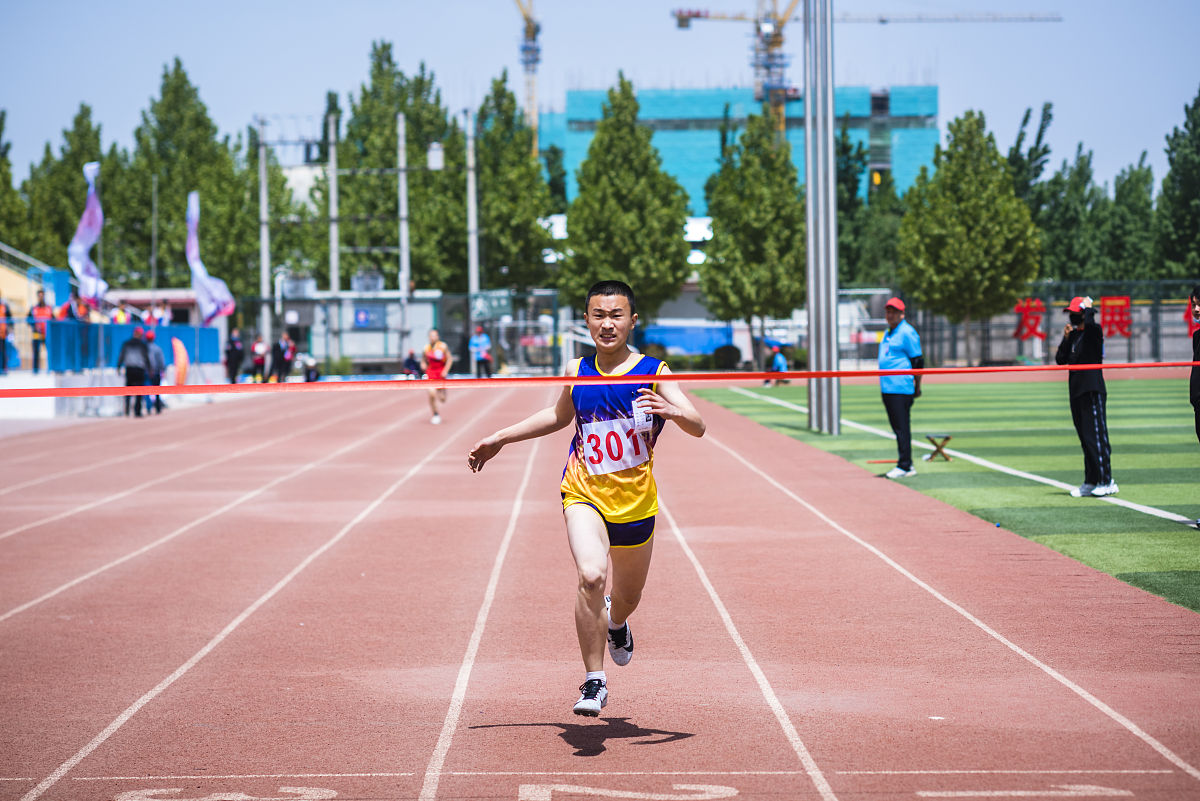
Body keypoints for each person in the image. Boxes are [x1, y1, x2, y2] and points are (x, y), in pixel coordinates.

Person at [467, 280, 706, 717]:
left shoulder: (654, 369)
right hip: (583, 492)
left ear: (633, 320)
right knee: (592, 576)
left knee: (627, 596)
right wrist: (500, 437)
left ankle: (617, 622)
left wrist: (674, 412)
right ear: (586, 320)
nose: (607, 324)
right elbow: (559, 417)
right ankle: (594, 680)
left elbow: (698, 424)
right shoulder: (577, 368)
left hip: (635, 505)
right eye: (599, 315)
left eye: (617, 315)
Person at [1056, 296, 1116, 497]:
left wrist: (1089, 309)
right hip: (1076, 392)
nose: (1072, 317)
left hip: (1092, 390)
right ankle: (1091, 480)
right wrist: (1065, 339)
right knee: (1085, 439)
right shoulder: (1074, 336)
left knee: (1096, 438)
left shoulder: (1094, 331)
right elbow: (1060, 360)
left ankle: (1106, 480)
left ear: (1084, 313)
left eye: (1076, 313)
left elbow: (1090, 325)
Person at [878, 297, 924, 479]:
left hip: (901, 387)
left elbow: (918, 361)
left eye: (893, 312)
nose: (890, 315)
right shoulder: (889, 332)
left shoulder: (907, 332)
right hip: (888, 387)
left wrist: (917, 385)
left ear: (901, 313)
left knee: (902, 427)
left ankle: (905, 465)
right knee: (897, 427)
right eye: (888, 311)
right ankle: (905, 462)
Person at [117, 326, 151, 418]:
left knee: (128, 389)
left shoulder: (127, 344)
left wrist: (119, 367)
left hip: (130, 369)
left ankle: (127, 410)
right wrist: (150, 369)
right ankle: (137, 411)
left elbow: (121, 356)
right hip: (139, 369)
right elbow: (146, 358)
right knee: (139, 391)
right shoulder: (142, 345)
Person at [421, 328, 452, 424]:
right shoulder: (426, 348)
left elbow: (449, 359)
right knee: (431, 393)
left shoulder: (443, 346)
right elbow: (423, 360)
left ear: (437, 337)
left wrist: (446, 370)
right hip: (430, 372)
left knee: (442, 399)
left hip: (440, 372)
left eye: (434, 335)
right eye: (431, 336)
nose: (432, 338)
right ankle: (435, 414)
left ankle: (442, 391)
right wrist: (423, 365)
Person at [27, 289, 54, 374]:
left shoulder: (49, 308)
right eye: (39, 296)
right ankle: (35, 370)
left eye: (42, 296)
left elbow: (54, 319)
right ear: (37, 297)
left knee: (50, 351)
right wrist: (34, 326)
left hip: (47, 334)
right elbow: (28, 320)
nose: (41, 297)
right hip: (36, 334)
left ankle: (51, 369)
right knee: (36, 352)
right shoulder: (33, 308)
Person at [144, 329, 166, 414]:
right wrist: (162, 370)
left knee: (146, 390)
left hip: (146, 372)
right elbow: (161, 361)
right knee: (157, 391)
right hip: (156, 372)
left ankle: (149, 408)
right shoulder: (157, 348)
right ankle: (157, 408)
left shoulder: (144, 348)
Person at [0, 292, 11, 374]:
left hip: (2, 333)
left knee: (3, 351)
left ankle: (4, 368)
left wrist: (10, 329)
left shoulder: (4, 306)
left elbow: (9, 318)